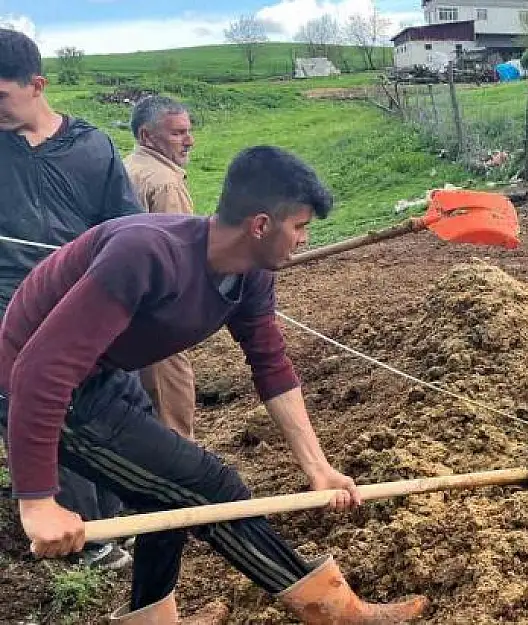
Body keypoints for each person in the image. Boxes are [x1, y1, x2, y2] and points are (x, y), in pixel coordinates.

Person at [0, 145, 430, 624]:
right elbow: (38, 370)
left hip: (100, 377)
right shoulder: (146, 252)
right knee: (211, 488)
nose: (304, 240)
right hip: (34, 387)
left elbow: (271, 366)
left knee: (166, 497)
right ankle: (336, 614)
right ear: (261, 225)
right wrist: (37, 502)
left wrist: (319, 467)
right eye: (300, 227)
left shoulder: (250, 277)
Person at [0, 27, 140, 570]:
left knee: (110, 399)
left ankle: (122, 514)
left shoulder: (91, 146)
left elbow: (125, 228)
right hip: (9, 309)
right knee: (39, 413)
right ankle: (83, 540)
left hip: (83, 304)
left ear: (37, 85)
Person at [123, 95, 198, 439]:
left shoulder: (126, 168)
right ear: (146, 135)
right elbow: (180, 255)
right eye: (178, 133)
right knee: (171, 409)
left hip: (123, 310)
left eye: (189, 131)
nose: (189, 140)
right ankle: (181, 485)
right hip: (158, 313)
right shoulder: (165, 183)